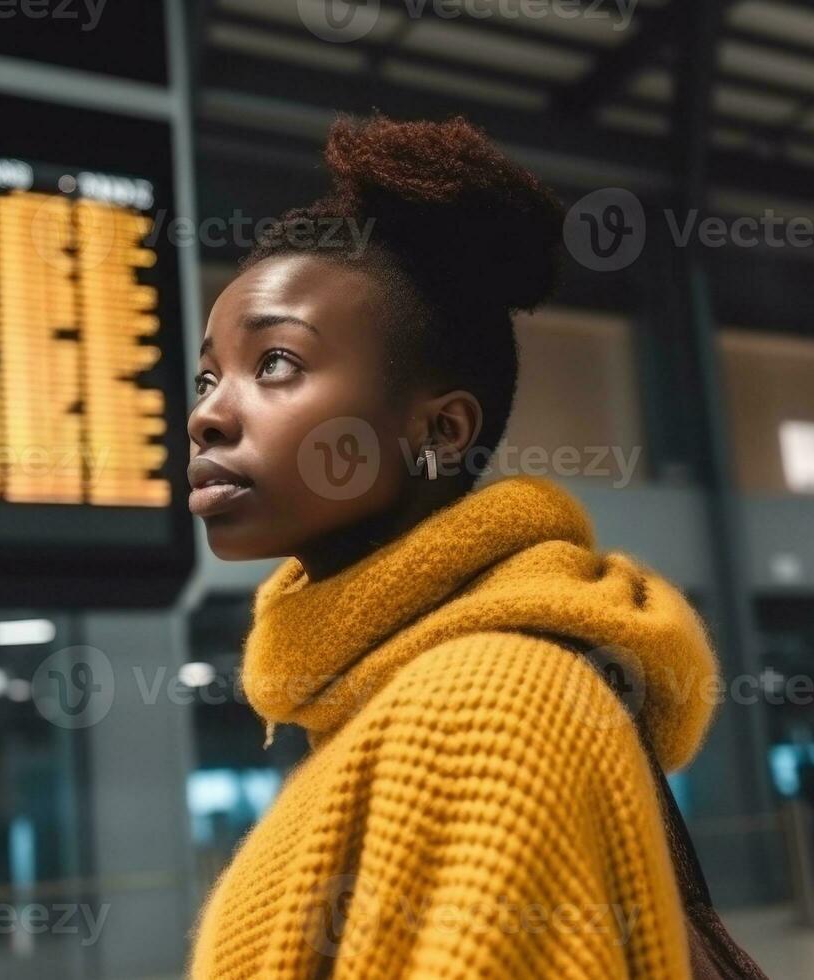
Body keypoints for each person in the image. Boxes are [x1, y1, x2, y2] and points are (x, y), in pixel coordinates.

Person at [184, 113, 724, 978]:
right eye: (207, 375)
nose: (206, 413)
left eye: (275, 362)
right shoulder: (380, 698)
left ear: (438, 431)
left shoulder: (489, 702)